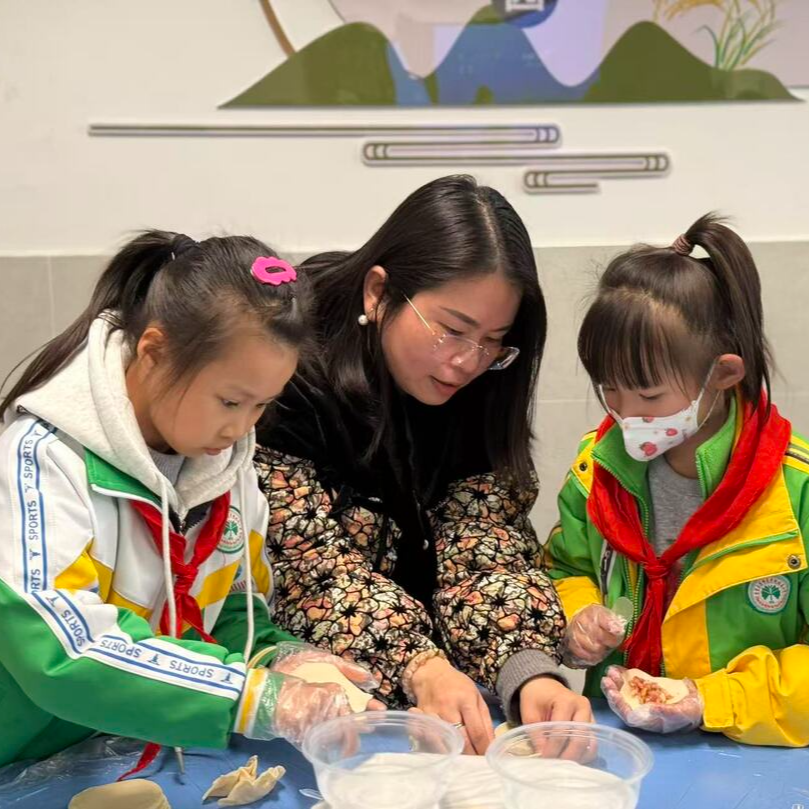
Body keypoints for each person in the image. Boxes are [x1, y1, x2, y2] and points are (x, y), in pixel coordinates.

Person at [0, 231, 378, 769]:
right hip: (21, 758)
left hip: (114, 750)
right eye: (230, 401)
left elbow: (228, 614)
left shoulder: (227, 469)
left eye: (262, 406)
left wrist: (281, 660)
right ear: (154, 352)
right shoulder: (40, 462)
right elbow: (61, 652)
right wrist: (250, 699)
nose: (241, 428)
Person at [256, 175, 591, 756]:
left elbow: (484, 539)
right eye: (452, 330)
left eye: (493, 339)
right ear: (378, 292)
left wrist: (526, 669)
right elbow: (307, 568)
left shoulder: (486, 380)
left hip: (435, 697)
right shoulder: (286, 365)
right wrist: (419, 664)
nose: (467, 362)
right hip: (315, 699)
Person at [546, 214, 809, 746]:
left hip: (749, 750)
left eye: (648, 395)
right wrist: (578, 617)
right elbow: (564, 568)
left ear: (724, 374)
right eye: (609, 389)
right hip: (619, 741)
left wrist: (710, 700)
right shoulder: (596, 472)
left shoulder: (793, 493)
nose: (625, 414)